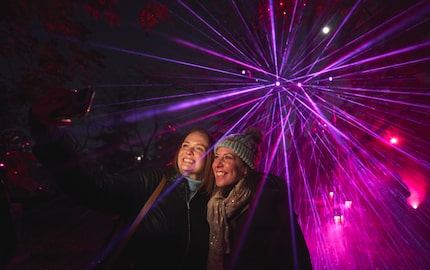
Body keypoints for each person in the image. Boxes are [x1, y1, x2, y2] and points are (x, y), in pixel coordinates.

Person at [28, 89, 216, 270]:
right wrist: (52, 141)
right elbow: (91, 189)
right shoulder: (151, 182)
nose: (189, 151)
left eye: (199, 148)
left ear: (209, 158)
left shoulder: (213, 203)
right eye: (185, 145)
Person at [207, 128, 313, 270]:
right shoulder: (218, 202)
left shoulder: (267, 200)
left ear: (245, 167)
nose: (217, 164)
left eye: (227, 157)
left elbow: (294, 254)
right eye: (216, 156)